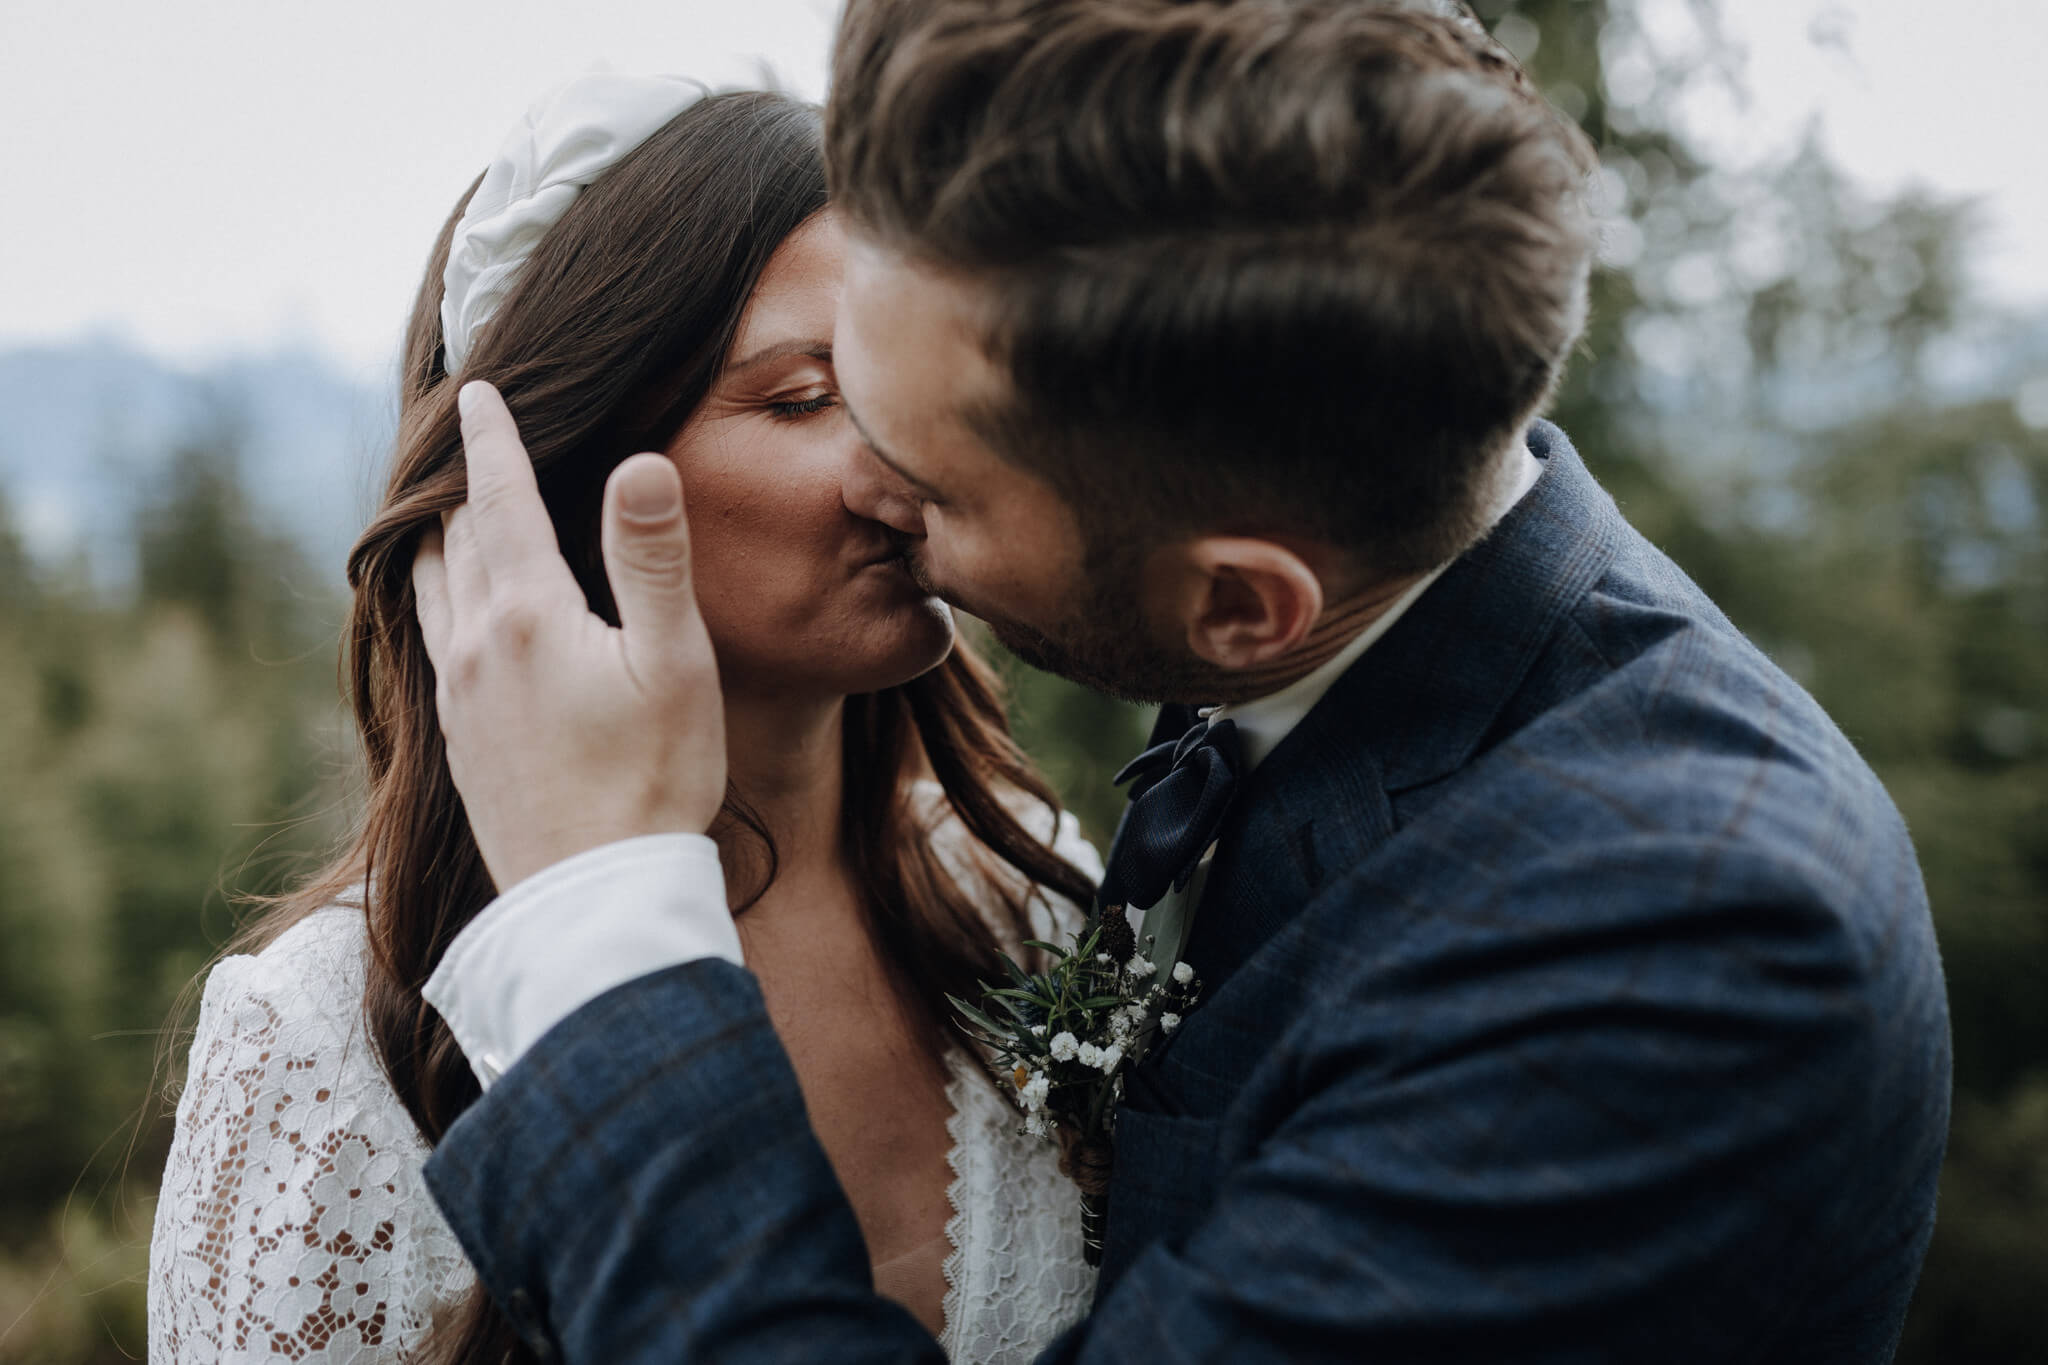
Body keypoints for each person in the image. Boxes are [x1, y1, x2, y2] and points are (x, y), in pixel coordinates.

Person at [413, 2, 1950, 1362]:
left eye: (935, 479)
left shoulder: (1677, 958)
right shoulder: (1346, 579)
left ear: (1235, 603)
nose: (873, 490)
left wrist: (603, 921)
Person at [147, 76, 1106, 1365]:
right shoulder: (321, 1041)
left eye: (916, 380)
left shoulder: (1026, 896)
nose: (914, 462)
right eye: (804, 398)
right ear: (547, 488)